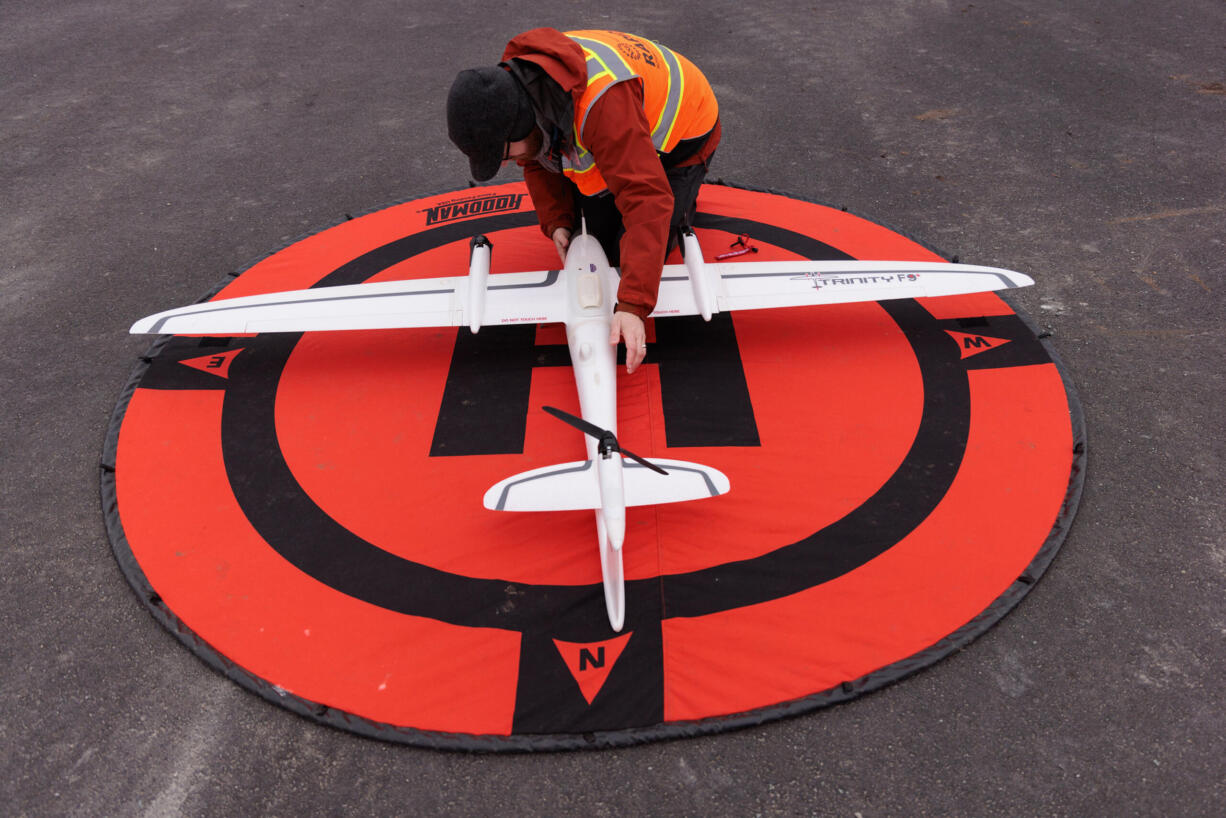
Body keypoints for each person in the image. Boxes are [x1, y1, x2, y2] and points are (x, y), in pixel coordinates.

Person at [446, 28, 720, 374]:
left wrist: (633, 307)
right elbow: (536, 156)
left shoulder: (601, 105)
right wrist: (558, 219)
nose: (504, 164)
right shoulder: (518, 89)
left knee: (626, 256)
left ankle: (684, 198)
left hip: (685, 132)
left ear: (520, 123)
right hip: (621, 123)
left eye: (501, 154)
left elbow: (647, 198)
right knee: (588, 239)